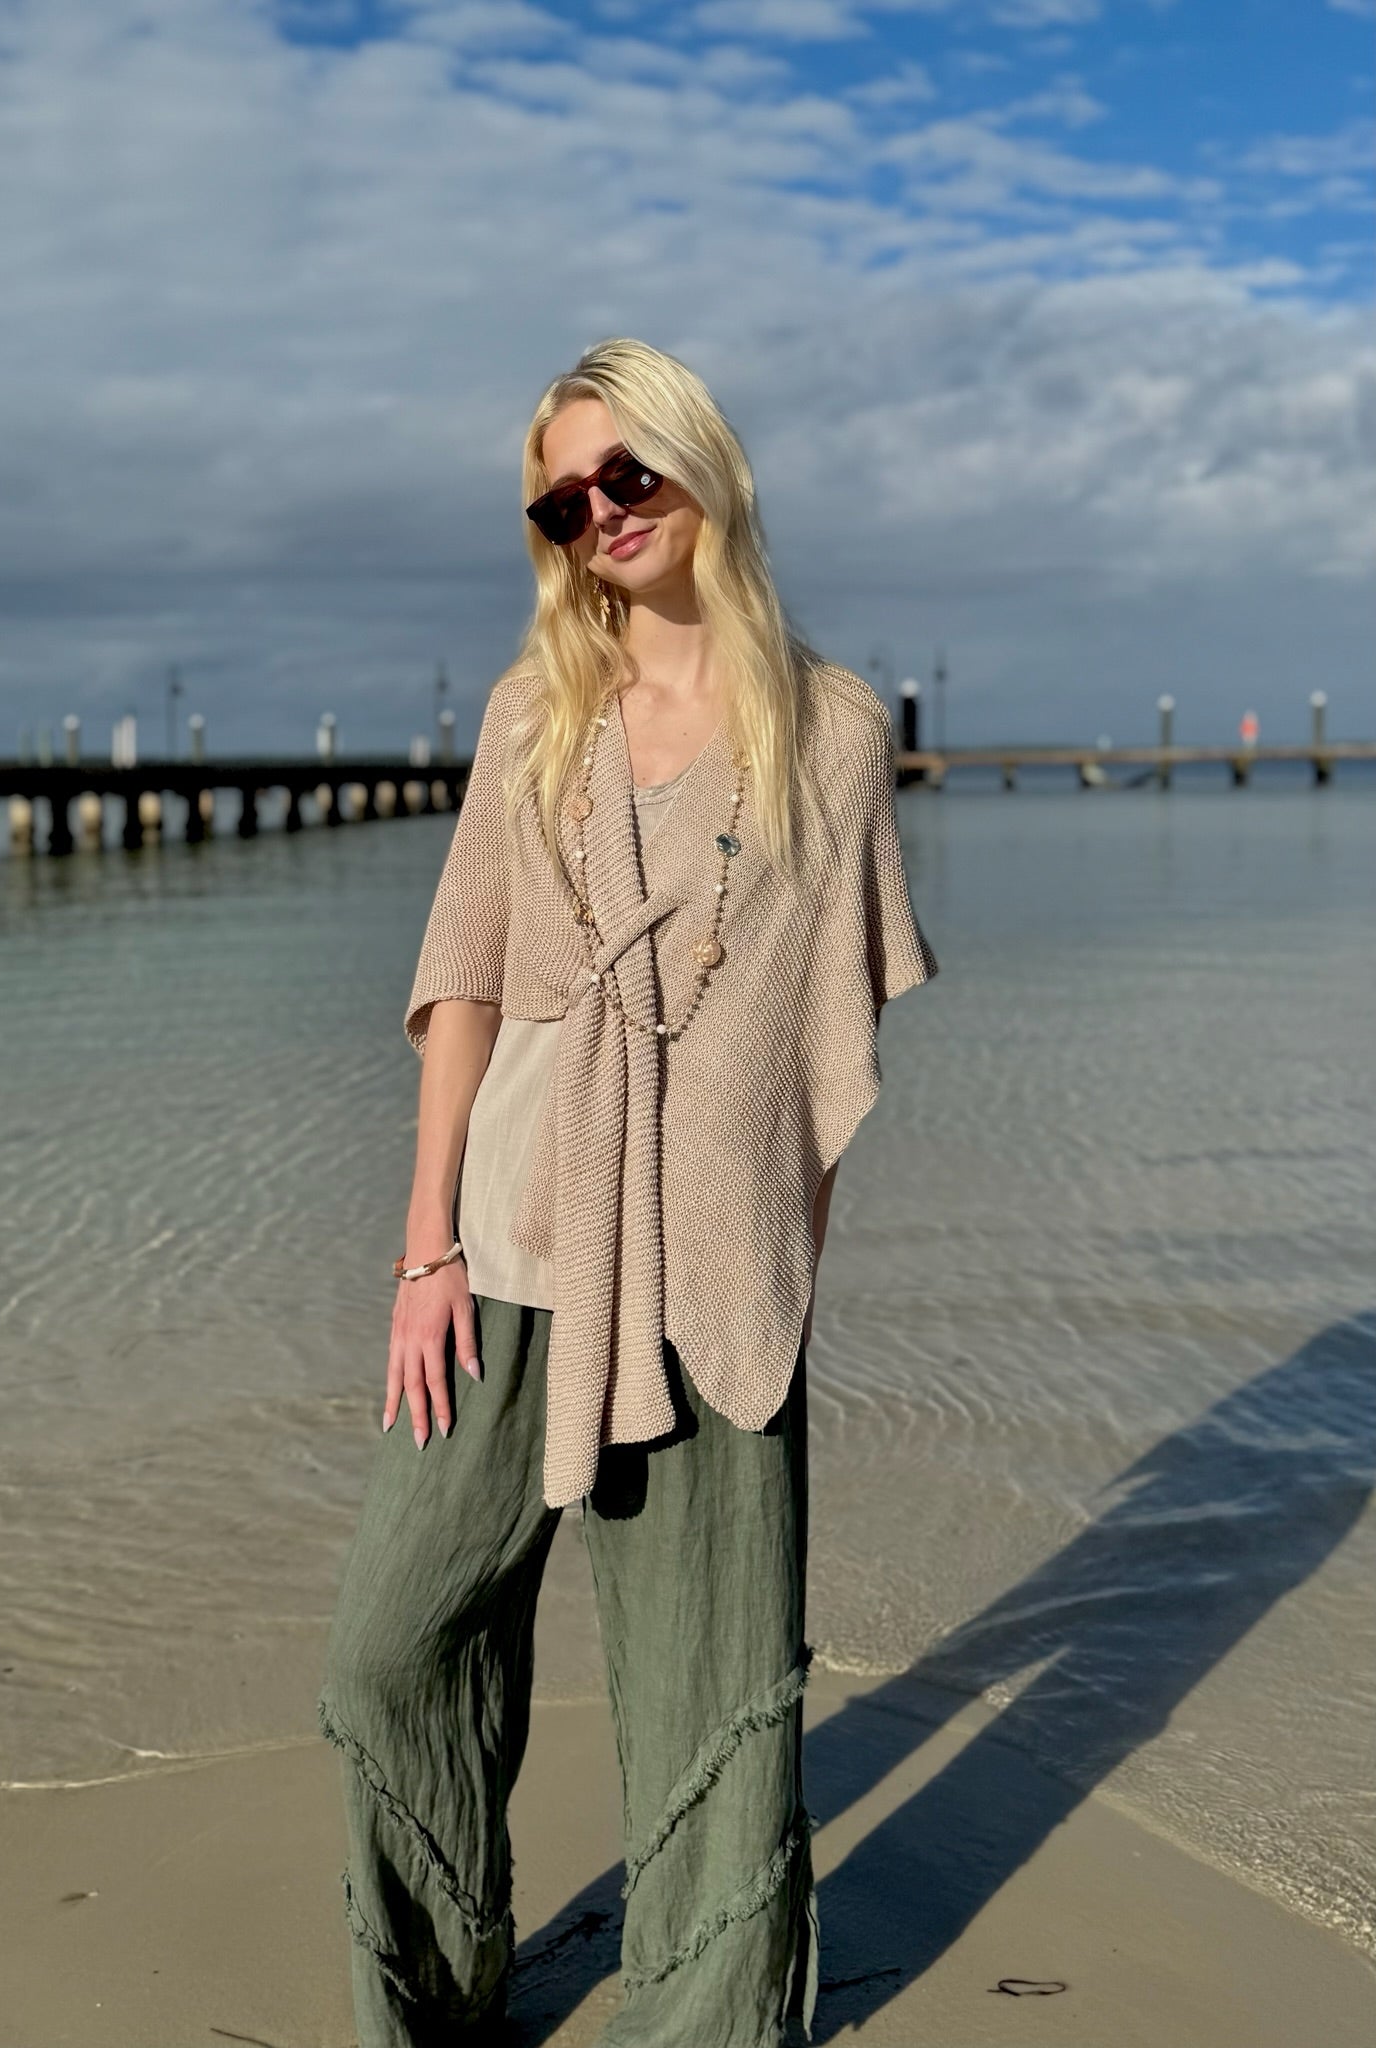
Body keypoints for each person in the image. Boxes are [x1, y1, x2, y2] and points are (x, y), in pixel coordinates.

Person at [317, 336, 938, 2047]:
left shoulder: (832, 732)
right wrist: (422, 1243)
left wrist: (764, 1257)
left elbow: (820, 1042)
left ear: (700, 468)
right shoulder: (538, 714)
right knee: (390, 1646)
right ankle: (433, 2002)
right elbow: (464, 984)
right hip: (510, 1240)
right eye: (565, 498)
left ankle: (710, 2020)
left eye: (626, 476)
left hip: (710, 1275)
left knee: (713, 1705)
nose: (600, 513)